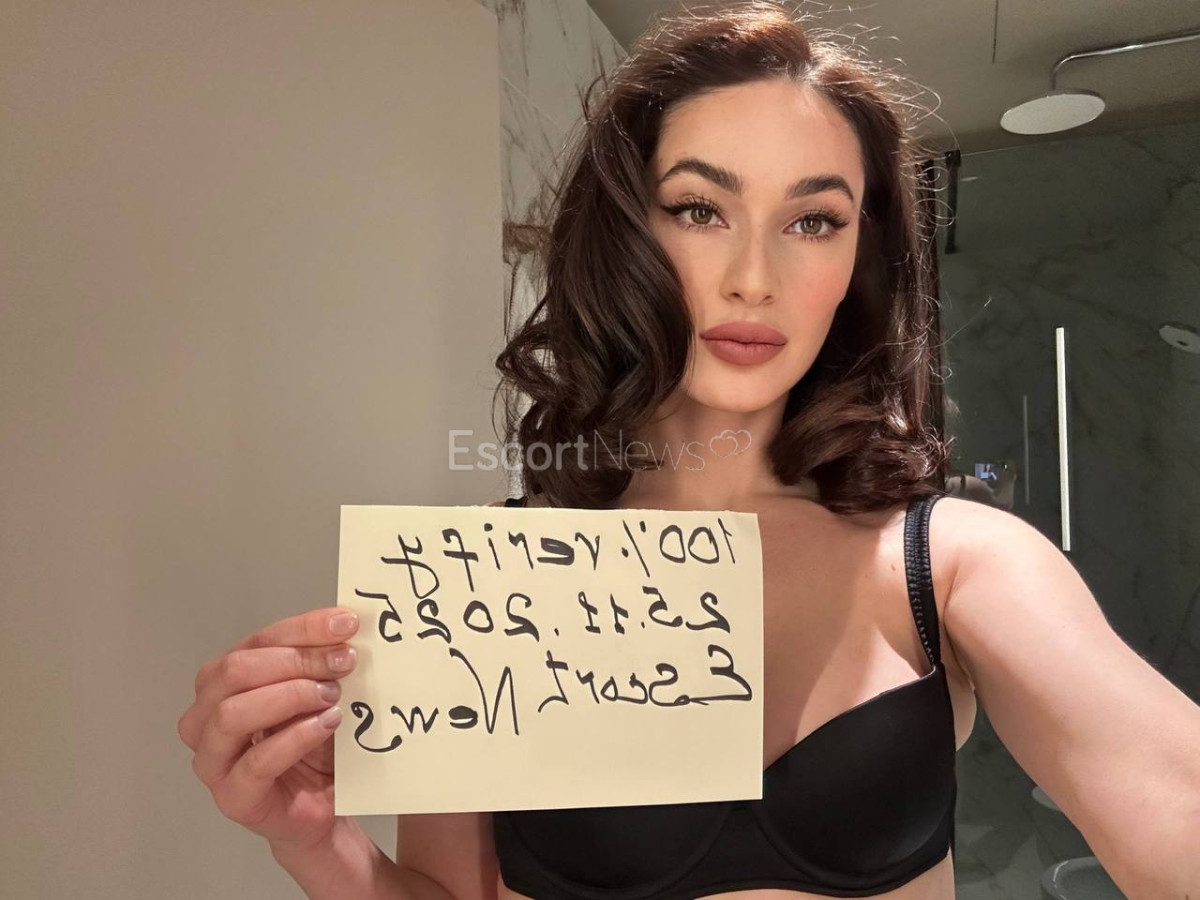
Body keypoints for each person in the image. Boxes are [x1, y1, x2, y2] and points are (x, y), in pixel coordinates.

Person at [176, 2, 1200, 898]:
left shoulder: (953, 563)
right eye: (700, 209)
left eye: (813, 221)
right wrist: (315, 844)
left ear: (859, 257)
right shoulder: (488, 578)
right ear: (628, 233)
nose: (754, 276)